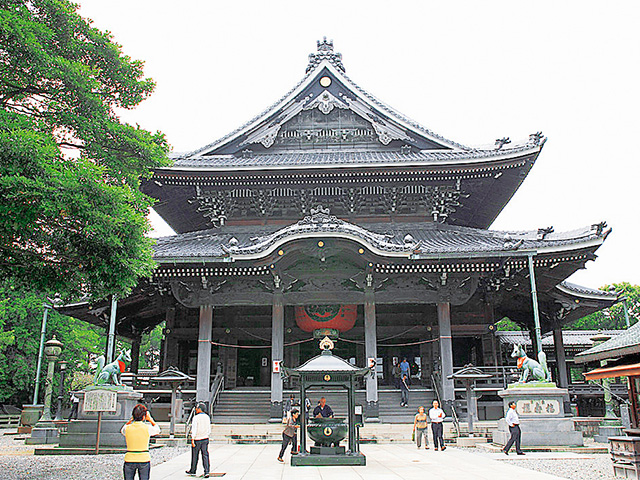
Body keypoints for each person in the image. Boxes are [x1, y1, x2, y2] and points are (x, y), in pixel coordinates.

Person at [120, 404, 160, 480]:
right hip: (144, 457)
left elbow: (122, 430)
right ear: (144, 416)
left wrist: (130, 420)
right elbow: (157, 429)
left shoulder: (127, 428)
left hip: (129, 457)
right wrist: (150, 419)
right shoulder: (147, 428)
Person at [186, 402, 212, 478]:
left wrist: (192, 438)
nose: (196, 409)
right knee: (205, 455)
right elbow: (209, 429)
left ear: (199, 409)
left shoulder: (196, 418)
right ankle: (206, 471)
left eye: (197, 408)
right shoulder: (207, 417)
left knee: (195, 455)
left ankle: (193, 470)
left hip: (197, 438)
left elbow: (194, 429)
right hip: (205, 438)